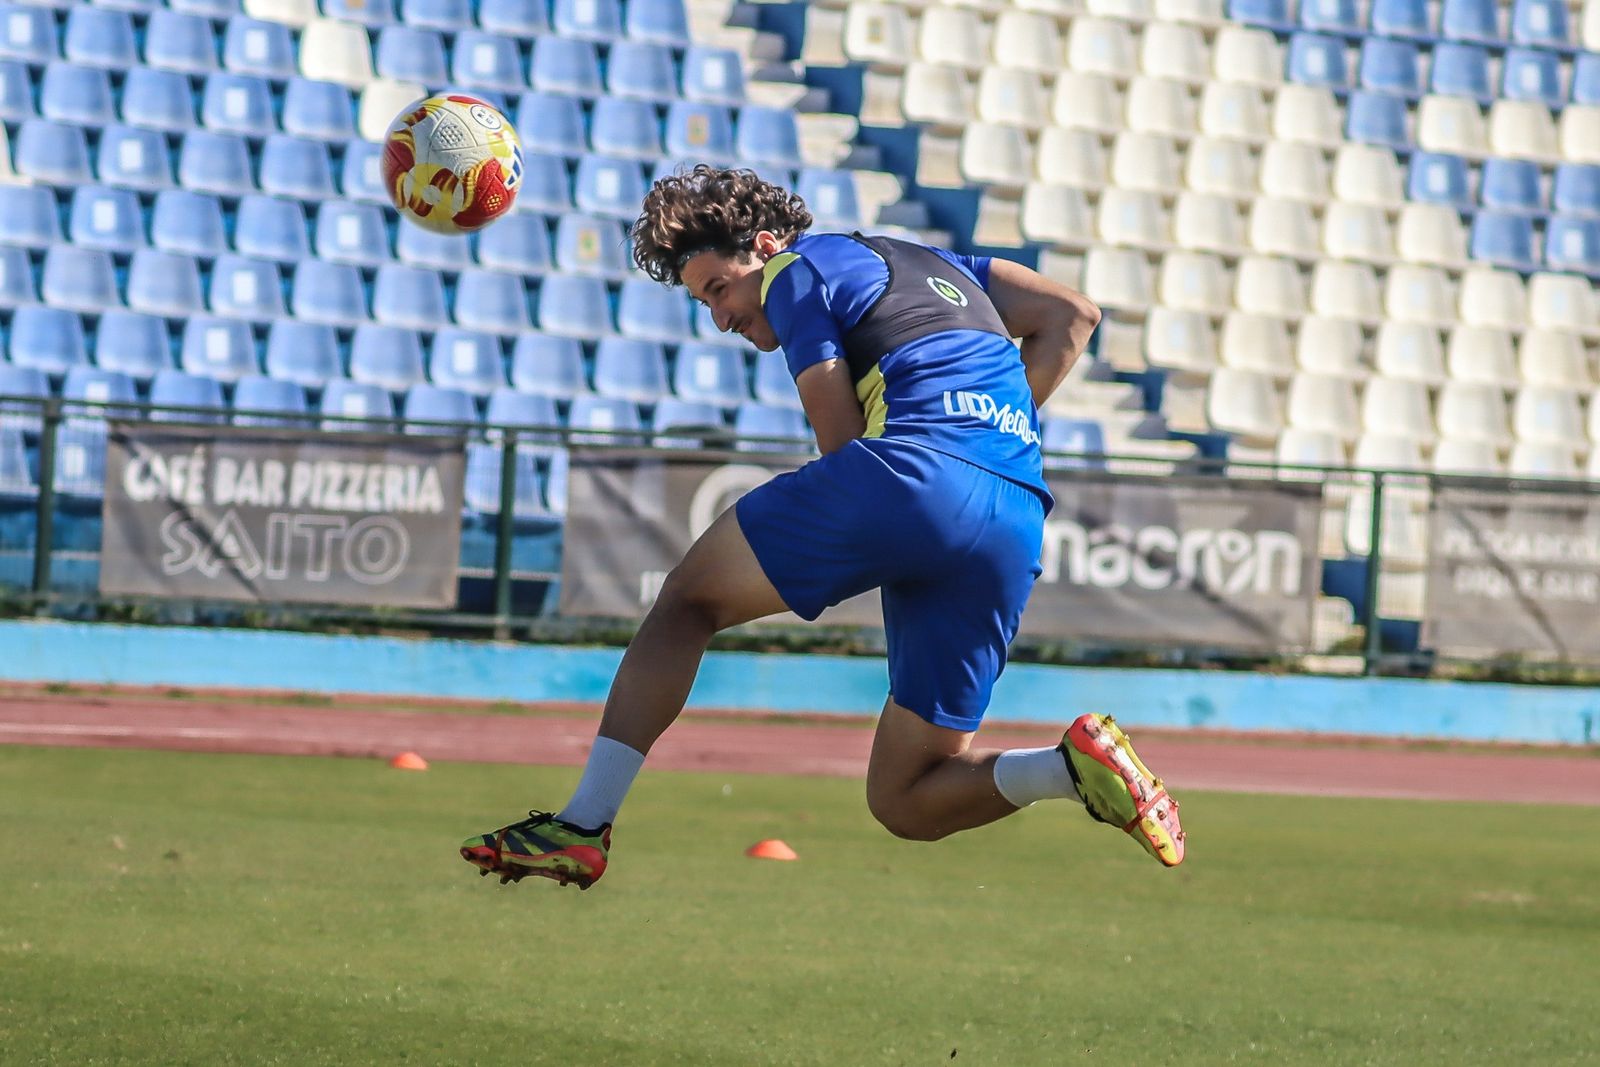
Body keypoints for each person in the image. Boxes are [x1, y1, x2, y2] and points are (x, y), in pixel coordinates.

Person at [461, 166, 1185, 889]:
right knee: (907, 796)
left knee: (687, 602)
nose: (720, 318)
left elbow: (841, 447)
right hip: (1016, 507)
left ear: (766, 244)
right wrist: (983, 434)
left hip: (911, 476)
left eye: (718, 290)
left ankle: (582, 826)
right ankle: (1071, 767)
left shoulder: (793, 271)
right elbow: (1074, 314)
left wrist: (925, 468)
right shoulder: (941, 265)